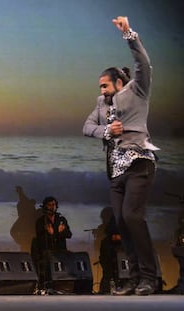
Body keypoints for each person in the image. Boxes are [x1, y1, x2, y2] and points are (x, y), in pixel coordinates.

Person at [83, 17, 159, 295]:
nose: (101, 91)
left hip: (139, 163)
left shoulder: (137, 92)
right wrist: (106, 131)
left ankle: (150, 277)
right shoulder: (101, 106)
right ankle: (133, 278)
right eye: (99, 87)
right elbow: (86, 127)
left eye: (104, 85)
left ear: (118, 82)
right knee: (121, 222)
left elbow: (144, 64)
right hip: (115, 172)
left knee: (132, 217)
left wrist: (128, 33)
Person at [34, 196, 72, 289]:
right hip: (47, 251)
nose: (52, 207)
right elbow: (40, 239)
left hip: (61, 250)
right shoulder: (41, 221)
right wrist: (53, 234)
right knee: (46, 258)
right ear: (45, 207)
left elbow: (69, 234)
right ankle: (45, 286)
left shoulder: (61, 220)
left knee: (70, 257)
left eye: (54, 205)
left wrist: (58, 233)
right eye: (50, 205)